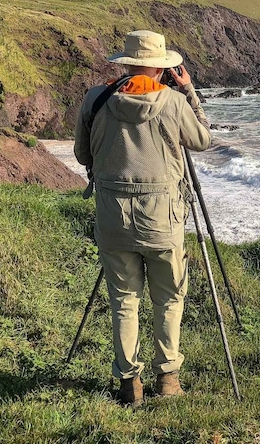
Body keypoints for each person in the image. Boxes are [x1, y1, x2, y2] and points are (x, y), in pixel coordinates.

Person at [74, 30, 211, 407]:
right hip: (162, 217)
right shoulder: (172, 101)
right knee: (168, 298)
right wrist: (189, 92)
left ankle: (129, 385)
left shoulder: (96, 99)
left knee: (124, 300)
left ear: (126, 62)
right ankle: (167, 379)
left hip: (112, 216)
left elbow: (83, 156)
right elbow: (201, 140)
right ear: (163, 66)